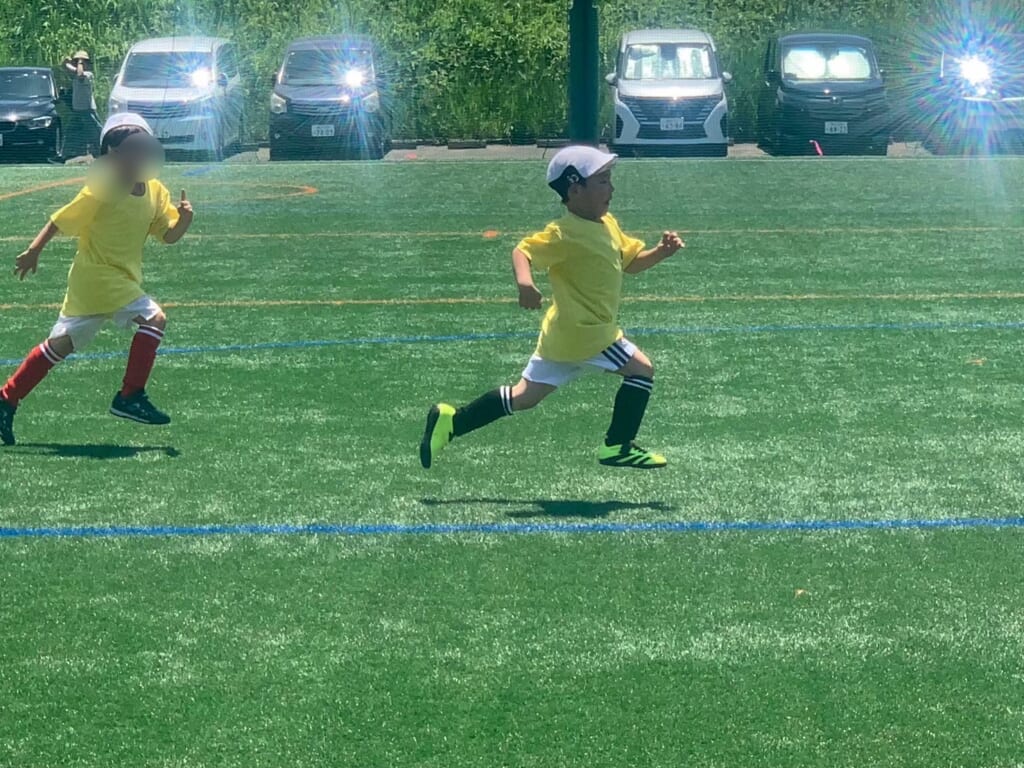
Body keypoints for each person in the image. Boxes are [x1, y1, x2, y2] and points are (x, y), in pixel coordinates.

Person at [420, 145, 684, 470]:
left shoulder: (607, 223)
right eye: (602, 181)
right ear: (575, 190)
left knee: (523, 397)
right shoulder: (564, 234)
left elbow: (630, 263)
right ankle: (617, 446)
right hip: (589, 335)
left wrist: (660, 252)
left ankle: (452, 421)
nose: (611, 188)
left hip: (561, 337)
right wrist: (524, 283)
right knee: (642, 370)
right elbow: (522, 251)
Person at [0, 113, 194, 447]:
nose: (140, 156)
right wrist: (34, 251)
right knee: (155, 318)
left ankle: (6, 398)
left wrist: (185, 220)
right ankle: (130, 396)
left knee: (60, 346)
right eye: (131, 150)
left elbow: (168, 235)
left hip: (107, 282)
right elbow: (61, 219)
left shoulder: (156, 191)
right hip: (98, 277)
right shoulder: (103, 188)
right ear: (112, 156)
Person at [62, 50, 102, 158]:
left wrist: (79, 61)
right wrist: (67, 63)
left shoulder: (88, 75)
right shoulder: (76, 75)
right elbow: (67, 69)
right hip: (77, 109)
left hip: (87, 110)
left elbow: (79, 74)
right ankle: (64, 154)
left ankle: (104, 151)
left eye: (82, 62)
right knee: (70, 132)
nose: (80, 64)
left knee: (96, 132)